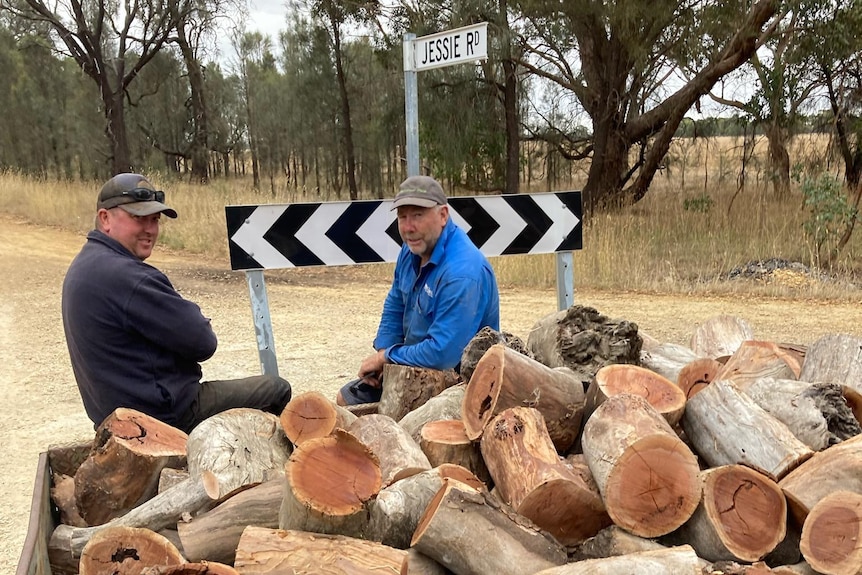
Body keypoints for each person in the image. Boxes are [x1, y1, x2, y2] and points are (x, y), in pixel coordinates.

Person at [62, 173, 292, 433]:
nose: (150, 229)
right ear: (105, 218)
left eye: (154, 220)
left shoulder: (85, 265)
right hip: (164, 416)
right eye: (138, 218)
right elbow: (204, 343)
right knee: (275, 388)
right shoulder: (129, 277)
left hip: (113, 416)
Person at [336, 175, 500, 406]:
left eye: (418, 216)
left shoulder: (462, 273)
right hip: (413, 368)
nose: (408, 227)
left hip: (460, 384)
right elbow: (395, 303)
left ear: (443, 215)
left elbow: (443, 354)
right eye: (402, 217)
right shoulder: (412, 249)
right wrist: (386, 358)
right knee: (346, 399)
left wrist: (387, 357)